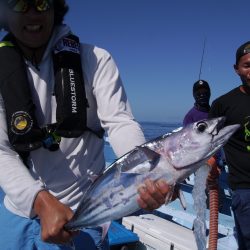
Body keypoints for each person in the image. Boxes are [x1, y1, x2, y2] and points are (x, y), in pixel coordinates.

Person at [0, 1, 170, 249]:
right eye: (20, 4)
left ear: (54, 8)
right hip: (17, 211)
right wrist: (39, 200)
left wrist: (148, 175)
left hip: (82, 215)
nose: (33, 13)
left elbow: (120, 122)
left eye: (41, 3)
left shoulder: (95, 59)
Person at [208, 40, 250, 250]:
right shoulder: (223, 105)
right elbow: (208, 143)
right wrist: (211, 162)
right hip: (244, 188)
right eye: (247, 65)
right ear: (236, 69)